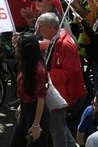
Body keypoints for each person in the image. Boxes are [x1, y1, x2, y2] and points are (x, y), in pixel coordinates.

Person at [36, 12, 85, 147]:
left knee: (57, 130)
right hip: (58, 90)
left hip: (62, 93)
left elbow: (69, 72)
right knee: (60, 126)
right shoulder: (57, 40)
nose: (38, 30)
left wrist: (47, 74)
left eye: (40, 26)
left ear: (50, 27)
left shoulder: (64, 44)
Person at [11, 33, 50, 147]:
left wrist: (36, 125)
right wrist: (20, 105)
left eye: (18, 46)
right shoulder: (24, 63)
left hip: (36, 113)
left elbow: (41, 99)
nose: (15, 47)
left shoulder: (38, 70)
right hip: (25, 110)